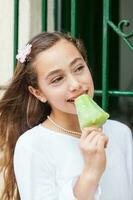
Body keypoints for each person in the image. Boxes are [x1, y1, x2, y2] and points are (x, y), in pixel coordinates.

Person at [0, 32, 132, 200]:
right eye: (57, 79)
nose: (76, 84)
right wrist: (90, 173)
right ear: (38, 92)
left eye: (78, 68)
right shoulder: (32, 146)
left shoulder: (121, 133)